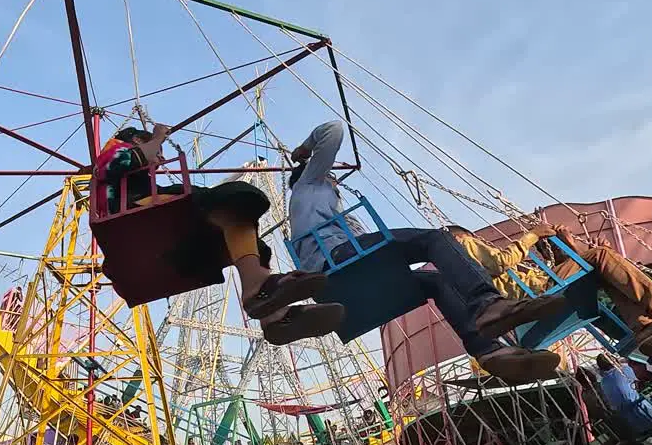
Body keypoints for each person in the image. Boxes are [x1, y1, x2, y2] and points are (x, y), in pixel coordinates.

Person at [287, 122, 569, 383]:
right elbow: (333, 129)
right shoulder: (309, 183)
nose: (337, 186)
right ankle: (487, 304)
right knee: (435, 240)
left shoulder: (313, 212)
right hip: (341, 259)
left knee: (437, 282)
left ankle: (489, 352)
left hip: (345, 284)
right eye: (333, 179)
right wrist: (306, 148)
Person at [96, 123, 343, 345]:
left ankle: (274, 315)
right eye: (157, 154)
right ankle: (259, 291)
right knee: (236, 197)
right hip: (136, 217)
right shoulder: (114, 154)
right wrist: (158, 136)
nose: (159, 160)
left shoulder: (149, 186)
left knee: (257, 246)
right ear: (137, 141)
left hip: (168, 242)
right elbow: (131, 160)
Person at [448, 223, 652, 356]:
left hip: (534, 297)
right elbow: (499, 261)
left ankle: (643, 326)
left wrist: (559, 248)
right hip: (537, 294)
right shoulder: (462, 244)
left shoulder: (458, 276)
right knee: (601, 256)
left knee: (602, 272)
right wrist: (532, 235)